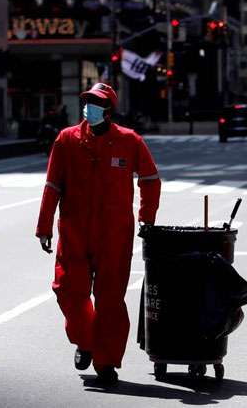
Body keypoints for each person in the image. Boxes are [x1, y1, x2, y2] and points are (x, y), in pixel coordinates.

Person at [35, 82, 161, 385]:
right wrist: (44, 227)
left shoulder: (129, 141)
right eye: (87, 100)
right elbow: (53, 185)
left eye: (96, 102)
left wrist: (146, 219)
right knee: (66, 289)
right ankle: (86, 341)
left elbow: (150, 179)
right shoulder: (67, 140)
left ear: (108, 110)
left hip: (114, 235)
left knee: (110, 300)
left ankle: (106, 362)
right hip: (75, 230)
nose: (89, 107)